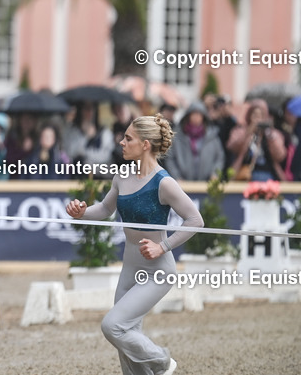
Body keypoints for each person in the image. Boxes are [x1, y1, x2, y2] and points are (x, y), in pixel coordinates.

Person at [66, 114, 202, 375]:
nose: (121, 142)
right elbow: (106, 208)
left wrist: (163, 247)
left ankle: (162, 360)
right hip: (130, 265)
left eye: (128, 138)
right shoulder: (121, 176)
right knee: (125, 339)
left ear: (146, 145)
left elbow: (195, 219)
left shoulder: (164, 183)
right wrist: (81, 211)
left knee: (113, 326)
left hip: (157, 270)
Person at [226, 99, 288, 181]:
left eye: (260, 116)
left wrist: (270, 136)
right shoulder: (240, 130)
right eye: (254, 115)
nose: (257, 119)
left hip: (268, 174)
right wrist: (248, 132)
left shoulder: (272, 134)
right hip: (245, 174)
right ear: (249, 116)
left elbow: (280, 156)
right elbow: (232, 146)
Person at [164, 101, 225, 182]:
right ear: (188, 116)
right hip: (182, 184)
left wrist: (215, 174)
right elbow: (170, 158)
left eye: (199, 114)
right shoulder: (178, 136)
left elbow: (219, 157)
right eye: (194, 114)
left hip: (207, 183)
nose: (196, 117)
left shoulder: (212, 136)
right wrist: (176, 177)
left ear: (203, 117)